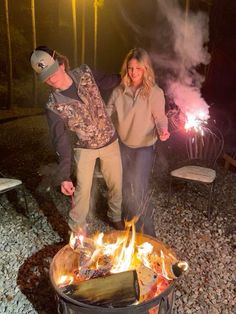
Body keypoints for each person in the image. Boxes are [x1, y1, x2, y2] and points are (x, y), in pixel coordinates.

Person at [30, 45, 124, 233]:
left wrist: (128, 76)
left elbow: (109, 80)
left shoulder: (84, 73)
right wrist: (63, 176)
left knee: (116, 184)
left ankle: (115, 216)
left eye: (52, 71)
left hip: (110, 141)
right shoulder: (53, 105)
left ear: (61, 64)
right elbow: (60, 140)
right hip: (84, 148)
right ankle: (77, 231)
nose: (51, 79)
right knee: (82, 191)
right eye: (45, 77)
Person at [107, 48, 170, 237]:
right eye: (130, 68)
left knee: (139, 186)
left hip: (144, 148)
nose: (133, 73)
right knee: (126, 185)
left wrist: (162, 130)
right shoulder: (120, 91)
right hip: (124, 145)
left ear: (146, 69)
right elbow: (108, 111)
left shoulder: (154, 92)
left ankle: (148, 233)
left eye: (138, 69)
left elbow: (160, 117)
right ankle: (130, 224)